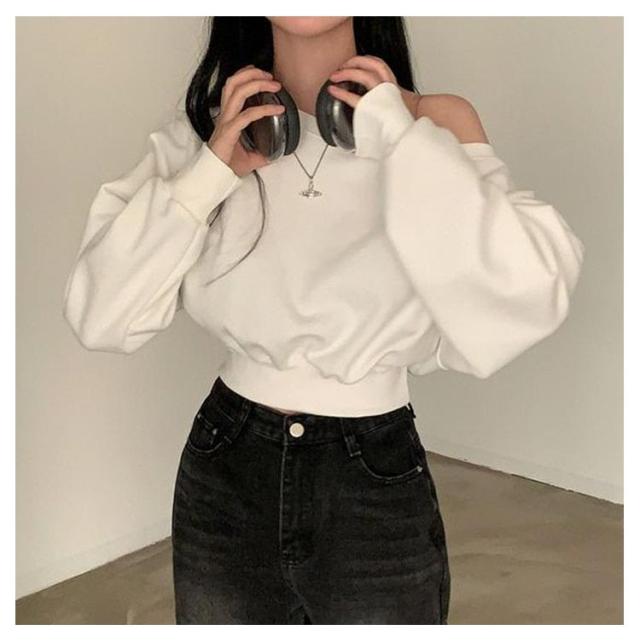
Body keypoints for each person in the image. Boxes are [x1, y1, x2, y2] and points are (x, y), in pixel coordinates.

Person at [62, 17, 586, 624]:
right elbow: (101, 316)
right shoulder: (213, 128)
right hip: (228, 462)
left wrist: (399, 137)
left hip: (371, 468)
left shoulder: (433, 122)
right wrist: (210, 174)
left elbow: (529, 294)